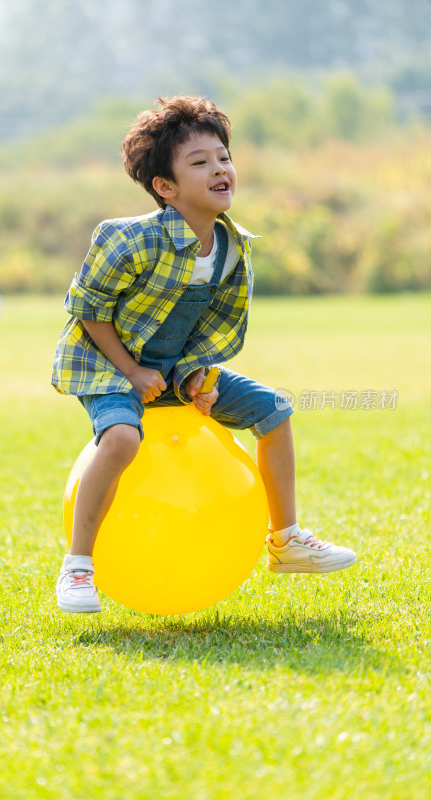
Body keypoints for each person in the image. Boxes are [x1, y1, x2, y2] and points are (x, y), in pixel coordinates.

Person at [52, 96, 356, 613]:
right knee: (123, 437)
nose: (219, 169)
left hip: (173, 368)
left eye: (223, 157)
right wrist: (130, 370)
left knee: (274, 410)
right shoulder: (127, 239)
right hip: (108, 368)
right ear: (165, 187)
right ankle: (79, 566)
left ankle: (285, 540)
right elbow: (87, 309)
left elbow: (212, 329)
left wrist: (198, 375)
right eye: (199, 162)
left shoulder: (232, 248)